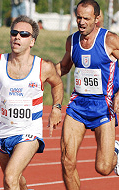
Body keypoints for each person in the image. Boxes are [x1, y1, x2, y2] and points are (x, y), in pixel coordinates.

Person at [0, 15, 63, 189]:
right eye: (14, 33)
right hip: (2, 131)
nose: (17, 37)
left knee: (10, 178)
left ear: (32, 41)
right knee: (17, 179)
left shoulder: (43, 67)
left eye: (23, 34)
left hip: (29, 131)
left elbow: (57, 84)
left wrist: (57, 108)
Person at [55, 0, 119, 189]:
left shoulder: (110, 40)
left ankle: (116, 152)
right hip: (78, 106)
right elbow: (64, 67)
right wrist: (36, 76)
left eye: (86, 18)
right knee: (67, 161)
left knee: (103, 167)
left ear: (97, 19)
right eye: (78, 18)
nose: (81, 22)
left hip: (103, 107)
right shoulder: (72, 40)